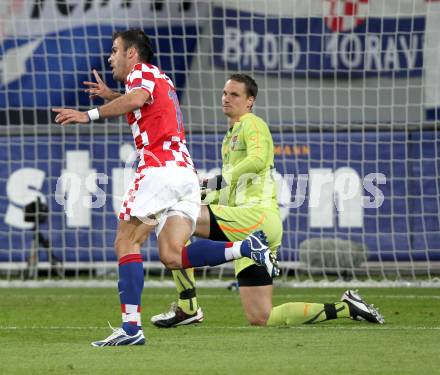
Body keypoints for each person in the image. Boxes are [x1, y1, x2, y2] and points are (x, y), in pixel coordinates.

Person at [53, 30, 278, 346]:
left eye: (115, 50)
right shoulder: (162, 79)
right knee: (173, 255)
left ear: (132, 54)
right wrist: (111, 96)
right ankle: (247, 247)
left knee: (125, 241)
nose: (110, 57)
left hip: (159, 168)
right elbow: (144, 105)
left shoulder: (141, 73)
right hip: (184, 173)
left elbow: (137, 99)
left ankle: (131, 329)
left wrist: (87, 115)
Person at [150, 73, 385, 328]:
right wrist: (199, 192)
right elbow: (229, 188)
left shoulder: (252, 123)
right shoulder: (230, 137)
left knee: (176, 219)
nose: (226, 98)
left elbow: (258, 160)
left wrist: (211, 184)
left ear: (250, 101)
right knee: (262, 317)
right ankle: (347, 307)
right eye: (225, 93)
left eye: (235, 94)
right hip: (251, 227)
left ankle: (187, 307)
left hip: (254, 218)